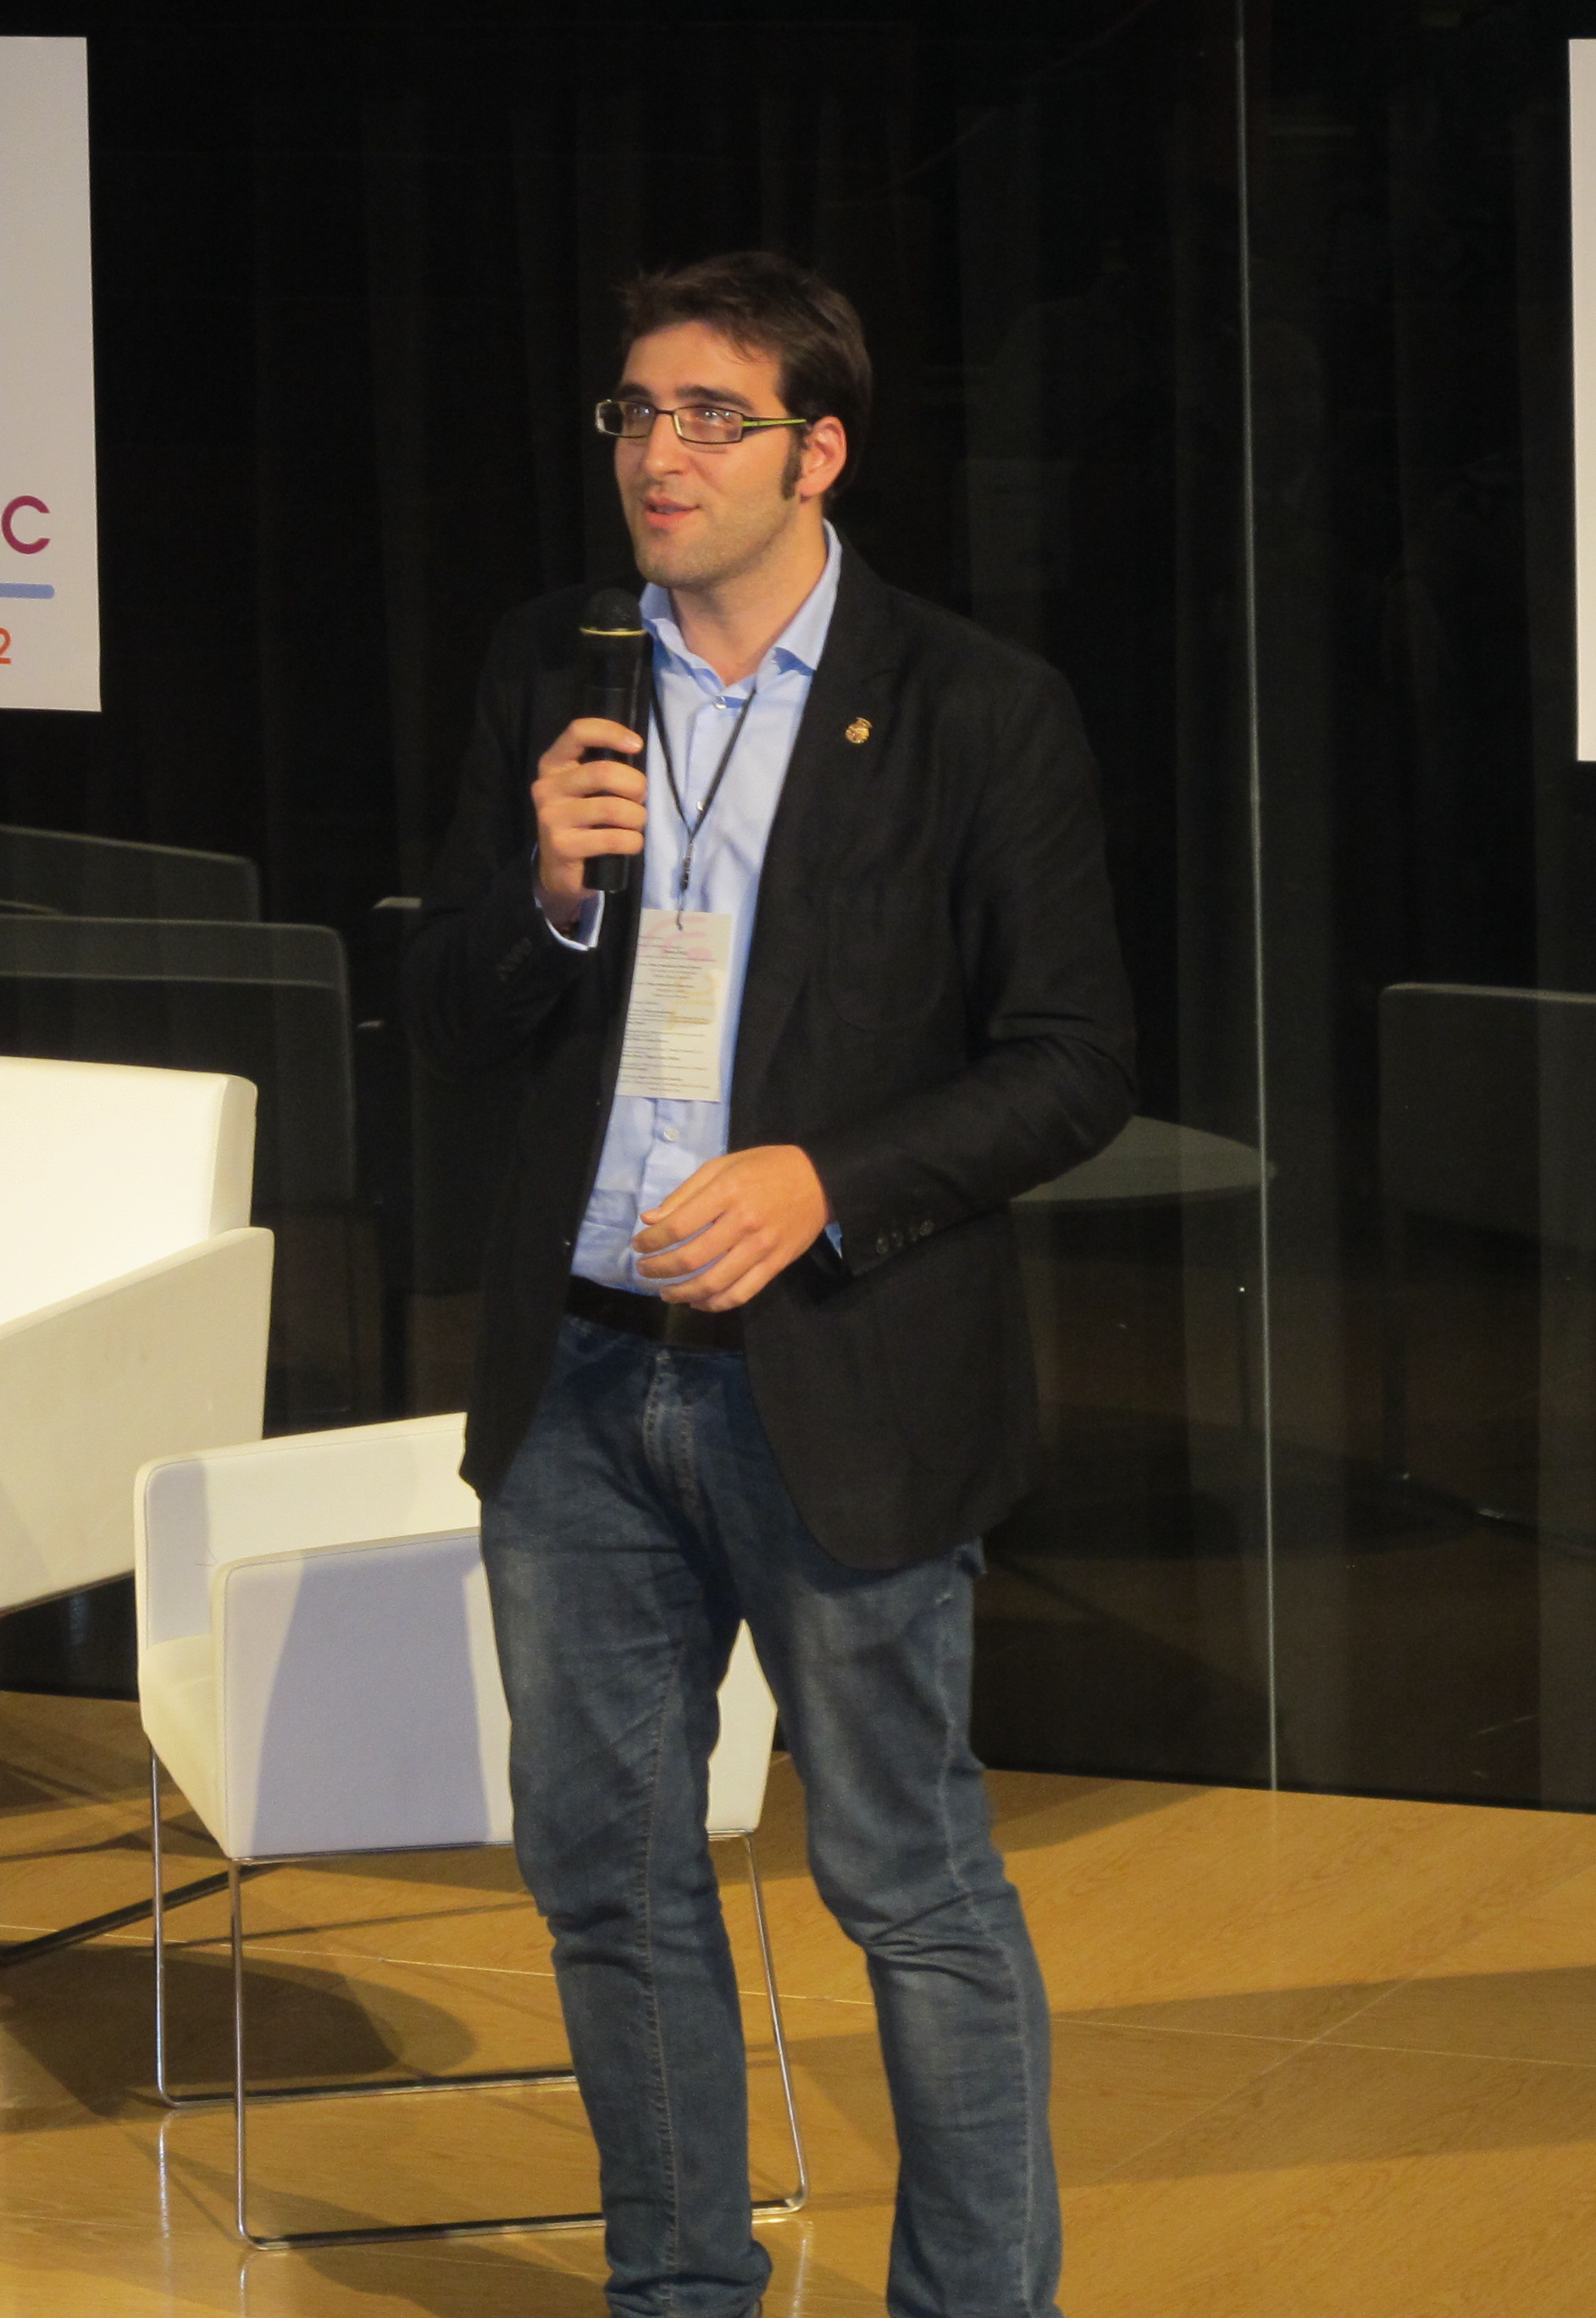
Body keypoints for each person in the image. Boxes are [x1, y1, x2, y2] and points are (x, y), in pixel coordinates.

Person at [402, 249, 1133, 2318]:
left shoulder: (975, 707)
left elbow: (1075, 1061)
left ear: (820, 454)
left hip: (837, 1375)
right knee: (609, 1887)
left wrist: (827, 1182)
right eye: (636, 412)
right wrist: (548, 892)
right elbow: (445, 1011)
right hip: (580, 1388)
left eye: (713, 418)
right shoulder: (554, 665)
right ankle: (680, 2292)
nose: (661, 454)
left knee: (907, 1883)